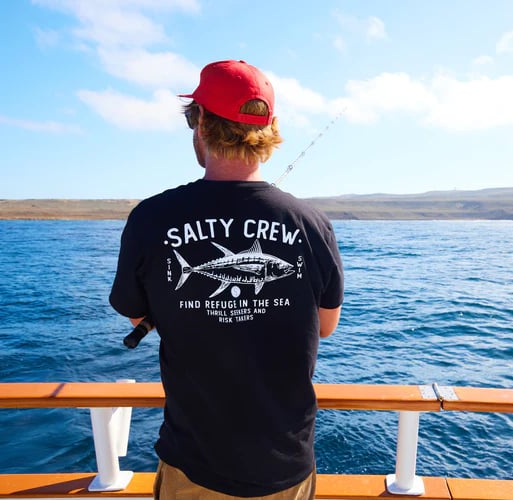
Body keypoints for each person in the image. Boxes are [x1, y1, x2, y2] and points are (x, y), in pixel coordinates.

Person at [109, 59, 344, 500]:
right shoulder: (312, 223)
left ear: (199, 122)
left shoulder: (151, 218)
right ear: (269, 130)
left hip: (193, 465)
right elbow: (325, 326)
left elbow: (133, 311)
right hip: (286, 466)